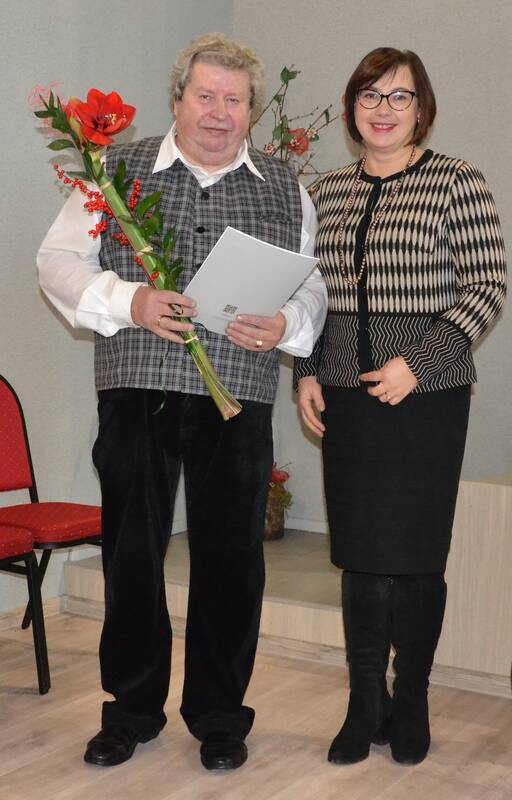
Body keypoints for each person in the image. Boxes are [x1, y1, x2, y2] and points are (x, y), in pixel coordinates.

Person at [37, 33, 327, 770]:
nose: (219, 113)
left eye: (235, 100)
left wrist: (287, 324)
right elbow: (57, 262)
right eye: (206, 96)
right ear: (178, 100)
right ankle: (131, 712)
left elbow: (312, 285)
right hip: (136, 390)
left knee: (232, 561)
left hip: (238, 400)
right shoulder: (114, 170)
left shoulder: (285, 186)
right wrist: (128, 300)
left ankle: (220, 717)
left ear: (251, 110)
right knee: (131, 555)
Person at [295, 47, 506, 766]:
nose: (382, 109)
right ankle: (364, 703)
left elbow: (487, 287)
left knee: (415, 558)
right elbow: (308, 294)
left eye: (399, 96)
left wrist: (417, 364)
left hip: (426, 398)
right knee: (358, 556)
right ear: (351, 107)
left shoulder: (456, 181)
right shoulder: (325, 191)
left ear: (422, 109)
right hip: (345, 396)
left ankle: (410, 698)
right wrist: (307, 371)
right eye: (370, 95)